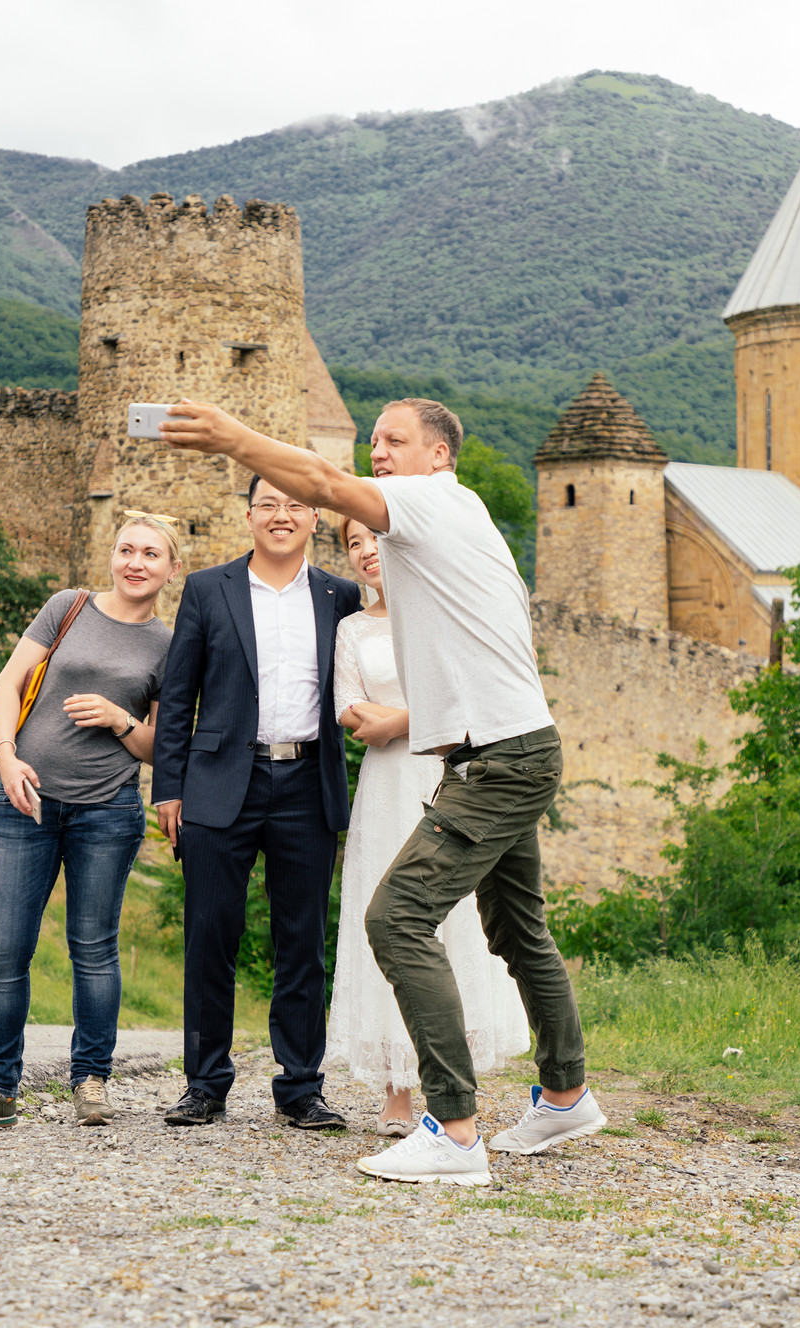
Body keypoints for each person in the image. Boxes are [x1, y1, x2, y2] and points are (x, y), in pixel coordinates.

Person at [157, 397, 604, 1184]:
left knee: (395, 920)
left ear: (440, 456)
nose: (379, 451)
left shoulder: (431, 501)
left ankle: (456, 1132)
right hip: (504, 748)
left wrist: (233, 439)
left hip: (497, 758)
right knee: (516, 929)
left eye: (396, 440)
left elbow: (326, 483)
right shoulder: (450, 522)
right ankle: (565, 1095)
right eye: (374, 440)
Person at [0, 513, 180, 1133]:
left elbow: (163, 747)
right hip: (26, 801)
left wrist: (119, 720)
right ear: (112, 553)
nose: (135, 562)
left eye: (151, 554)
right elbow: (10, 682)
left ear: (172, 569)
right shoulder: (67, 606)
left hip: (109, 811)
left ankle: (91, 1082)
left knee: (94, 951)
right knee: (4, 950)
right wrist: (6, 756)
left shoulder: (170, 645)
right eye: (126, 548)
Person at [153, 477, 362, 1130]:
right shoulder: (208, 590)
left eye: (296, 505)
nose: (282, 515)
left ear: (316, 519)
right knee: (211, 933)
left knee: (303, 941)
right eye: (269, 504)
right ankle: (206, 1084)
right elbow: (178, 697)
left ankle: (301, 1087)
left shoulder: (341, 596)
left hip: (306, 783)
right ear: (248, 516)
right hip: (219, 783)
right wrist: (169, 787)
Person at [326, 517, 530, 1135]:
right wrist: (402, 720)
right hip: (386, 788)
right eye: (354, 544)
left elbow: (471, 702)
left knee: (455, 921)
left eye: (373, 539)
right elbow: (348, 708)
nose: (365, 552)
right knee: (384, 917)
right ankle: (396, 1089)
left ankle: (454, 1080)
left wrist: (400, 722)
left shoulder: (441, 613)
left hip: (447, 779)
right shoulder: (350, 630)